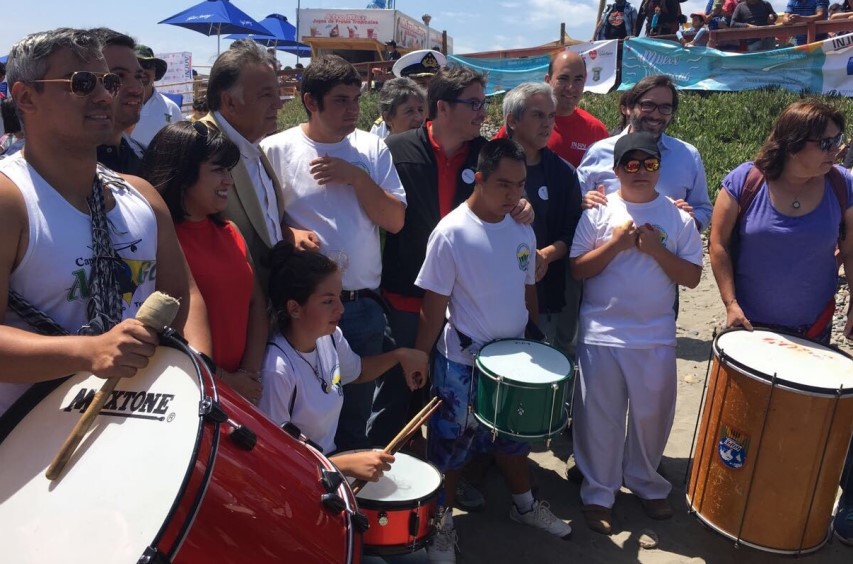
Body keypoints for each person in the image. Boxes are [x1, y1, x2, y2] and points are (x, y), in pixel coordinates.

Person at [0, 28, 210, 417]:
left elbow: (184, 297)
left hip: (129, 432)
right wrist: (88, 351)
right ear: (26, 97)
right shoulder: (10, 199)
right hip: (26, 451)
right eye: (81, 83)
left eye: (107, 82)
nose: (103, 96)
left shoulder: (143, 195)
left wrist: (200, 374)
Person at [377, 66, 533, 512]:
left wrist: (520, 206)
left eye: (484, 103)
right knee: (404, 396)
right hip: (410, 297)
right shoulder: (398, 149)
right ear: (441, 107)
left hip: (469, 303)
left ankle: (454, 481)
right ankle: (402, 489)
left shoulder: (485, 153)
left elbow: (507, 195)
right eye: (474, 104)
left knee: (460, 411)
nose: (482, 113)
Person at [415, 139, 572, 563]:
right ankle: (442, 525)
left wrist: (535, 338)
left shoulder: (521, 227)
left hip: (515, 362)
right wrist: (418, 356)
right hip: (462, 364)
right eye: (503, 184)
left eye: (520, 186)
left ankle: (525, 506)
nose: (514, 195)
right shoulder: (450, 233)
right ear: (479, 179)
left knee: (513, 439)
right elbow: (433, 309)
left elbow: (528, 291)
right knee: (449, 447)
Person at [707, 99, 853, 546]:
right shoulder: (745, 180)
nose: (836, 149)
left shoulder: (842, 185)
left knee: (804, 430)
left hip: (812, 331)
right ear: (792, 143)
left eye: (837, 140)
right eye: (825, 142)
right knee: (745, 431)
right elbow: (717, 244)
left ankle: (801, 512)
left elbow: (851, 251)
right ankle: (731, 507)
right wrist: (731, 305)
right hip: (750, 333)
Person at [261, 55, 407, 451]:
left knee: (354, 418)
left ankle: (349, 501)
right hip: (300, 312)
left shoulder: (371, 148)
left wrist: (356, 178)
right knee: (300, 422)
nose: (353, 109)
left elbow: (394, 220)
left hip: (360, 307)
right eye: (341, 100)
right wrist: (288, 234)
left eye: (356, 99)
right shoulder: (275, 149)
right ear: (311, 101)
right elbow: (258, 222)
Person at [570, 132, 703, 535]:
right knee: (599, 417)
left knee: (653, 415)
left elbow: (694, 277)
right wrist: (615, 245)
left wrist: (655, 250)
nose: (641, 172)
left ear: (659, 169)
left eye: (649, 164)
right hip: (602, 332)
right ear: (616, 170)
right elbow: (578, 269)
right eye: (631, 164)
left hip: (654, 334)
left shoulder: (678, 217)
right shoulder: (597, 212)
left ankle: (646, 482)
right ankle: (599, 493)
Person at [258, 242, 427, 479]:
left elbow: (357, 373)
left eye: (339, 297)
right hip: (299, 481)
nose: (341, 309)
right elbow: (275, 458)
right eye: (328, 301)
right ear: (294, 308)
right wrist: (343, 464)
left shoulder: (329, 338)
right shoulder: (277, 371)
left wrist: (400, 356)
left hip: (326, 469)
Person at [142, 121, 266, 404]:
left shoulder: (231, 232)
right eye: (218, 170)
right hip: (187, 393)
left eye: (228, 170)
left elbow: (257, 304)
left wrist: (249, 374)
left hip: (240, 393)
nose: (228, 181)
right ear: (184, 174)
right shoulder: (154, 241)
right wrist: (224, 380)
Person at [200, 39, 286, 291]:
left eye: (277, 93)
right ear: (230, 102)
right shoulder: (199, 148)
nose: (279, 104)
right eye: (266, 95)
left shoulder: (253, 145)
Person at [578, 74, 713, 232]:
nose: (656, 115)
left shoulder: (687, 155)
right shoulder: (599, 152)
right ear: (629, 107)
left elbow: (703, 209)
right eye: (648, 105)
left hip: (667, 255)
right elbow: (574, 202)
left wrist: (690, 221)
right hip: (608, 253)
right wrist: (582, 202)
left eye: (665, 108)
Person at [501, 82, 582, 344]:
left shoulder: (564, 173)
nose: (547, 124)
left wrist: (545, 256)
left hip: (544, 297)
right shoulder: (486, 164)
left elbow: (573, 231)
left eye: (550, 116)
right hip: (492, 294)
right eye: (537, 115)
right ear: (512, 120)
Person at [91, 28, 146, 175]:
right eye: (119, 76)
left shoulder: (146, 159)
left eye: (139, 77)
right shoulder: (59, 169)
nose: (136, 89)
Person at [129, 45, 184, 149]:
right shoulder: (117, 105)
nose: (142, 70)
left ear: (155, 73)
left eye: (147, 65)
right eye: (137, 65)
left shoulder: (172, 108)